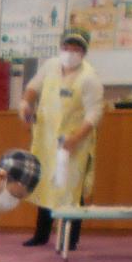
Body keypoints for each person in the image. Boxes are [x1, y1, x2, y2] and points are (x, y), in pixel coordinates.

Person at [20, 29, 104, 249]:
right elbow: (33, 88)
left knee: (70, 189)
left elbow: (94, 114)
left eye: (76, 49)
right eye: (67, 48)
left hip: (74, 141)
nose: (70, 53)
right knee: (46, 183)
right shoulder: (50, 66)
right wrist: (26, 104)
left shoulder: (89, 78)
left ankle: (70, 238)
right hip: (47, 139)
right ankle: (41, 234)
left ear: (84, 52)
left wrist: (76, 138)